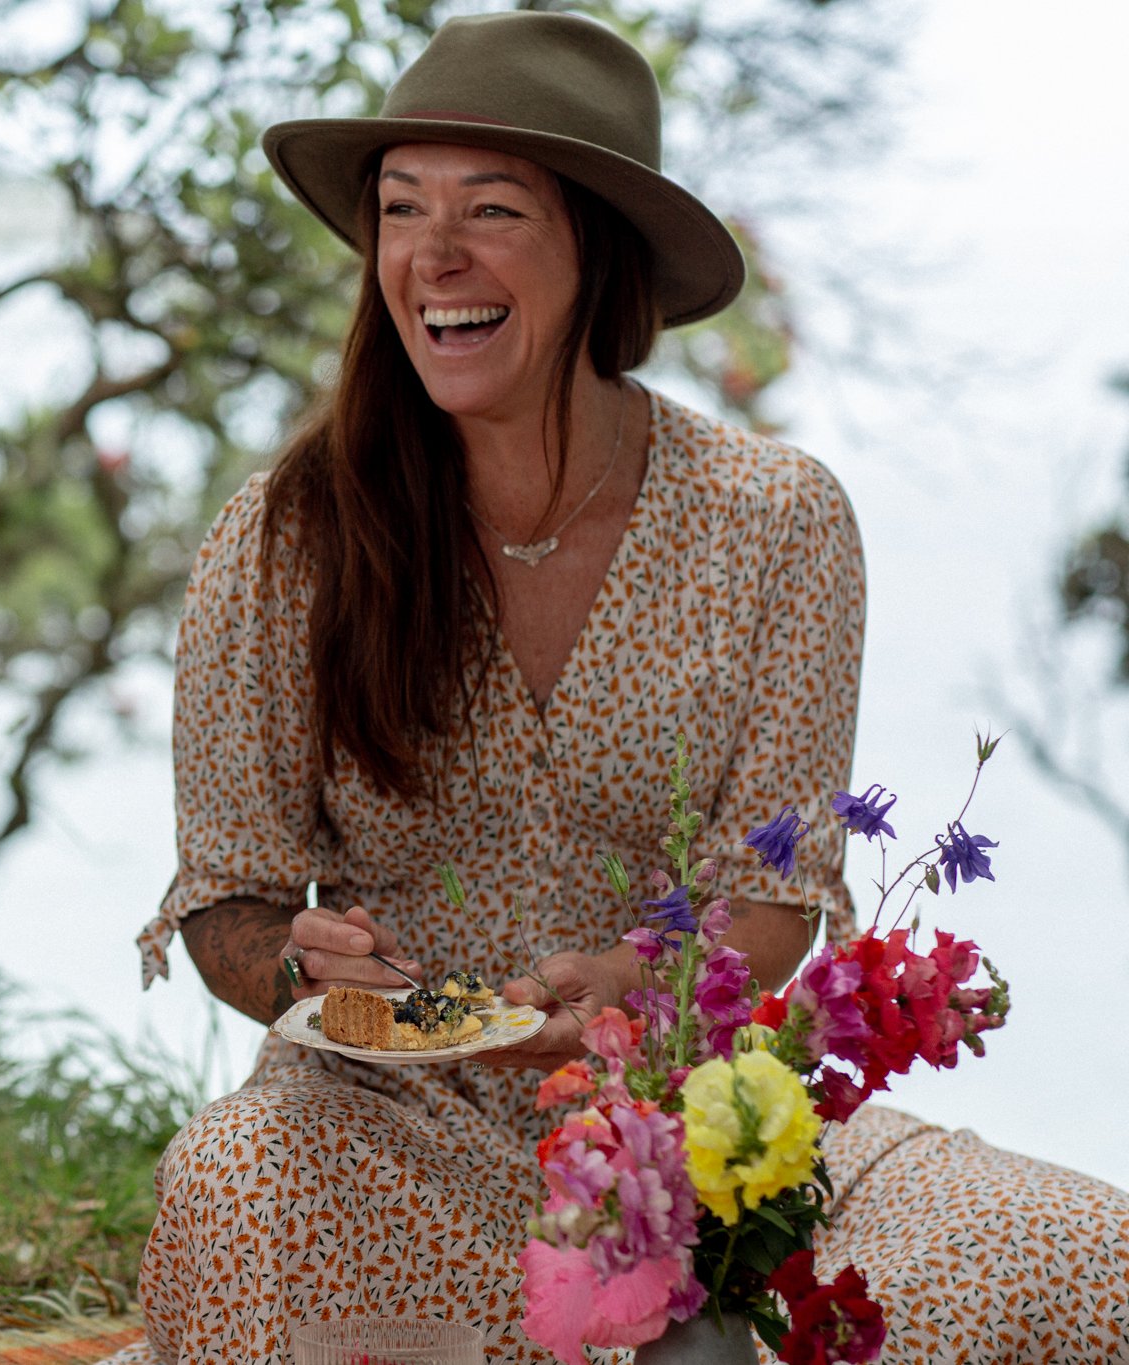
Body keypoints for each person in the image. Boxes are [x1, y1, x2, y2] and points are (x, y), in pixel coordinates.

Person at [133, 12, 1129, 1365]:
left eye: (492, 208)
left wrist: (638, 984)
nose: (433, 256)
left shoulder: (778, 522)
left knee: (1081, 1253)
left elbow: (774, 896)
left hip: (692, 1116)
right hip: (384, 1122)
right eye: (401, 209)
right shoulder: (289, 536)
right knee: (233, 1187)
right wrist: (292, 964)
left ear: (596, 249)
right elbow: (231, 902)